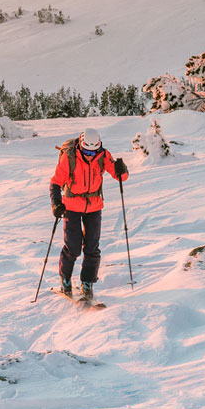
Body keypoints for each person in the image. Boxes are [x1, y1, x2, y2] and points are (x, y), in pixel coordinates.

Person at [48, 128, 128, 304]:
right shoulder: (69, 157)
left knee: (92, 248)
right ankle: (66, 280)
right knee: (73, 247)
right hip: (71, 206)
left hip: (94, 206)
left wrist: (121, 169)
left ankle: (87, 283)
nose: (90, 155)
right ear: (81, 146)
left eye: (94, 151)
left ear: (98, 147)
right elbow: (55, 182)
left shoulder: (103, 155)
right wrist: (56, 203)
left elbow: (120, 176)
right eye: (87, 151)